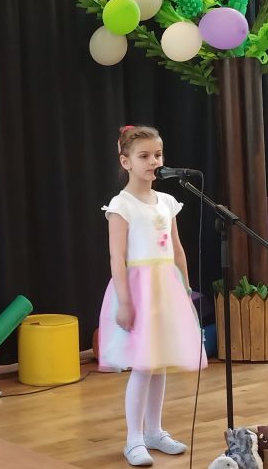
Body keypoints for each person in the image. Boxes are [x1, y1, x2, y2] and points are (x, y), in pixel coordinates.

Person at [98, 125, 207, 467]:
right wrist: (125, 300)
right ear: (125, 161)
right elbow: (117, 257)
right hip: (139, 290)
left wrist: (185, 289)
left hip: (166, 288)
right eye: (144, 156)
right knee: (144, 365)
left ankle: (154, 431)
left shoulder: (167, 202)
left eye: (157, 155)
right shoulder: (121, 205)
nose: (153, 161)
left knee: (159, 363)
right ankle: (133, 439)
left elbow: (177, 249)